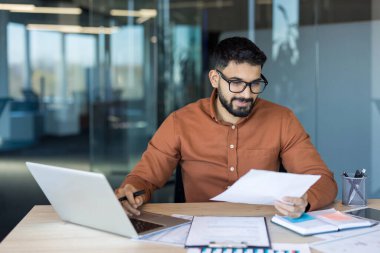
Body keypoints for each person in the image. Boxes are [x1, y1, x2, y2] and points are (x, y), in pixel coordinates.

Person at [116, 37, 337, 218]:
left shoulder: (282, 120)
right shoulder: (180, 122)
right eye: (237, 83)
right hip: (198, 226)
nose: (247, 94)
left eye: (255, 83)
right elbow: (145, 179)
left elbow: (323, 181)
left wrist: (305, 201)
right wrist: (131, 194)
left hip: (267, 224)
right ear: (214, 78)